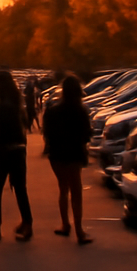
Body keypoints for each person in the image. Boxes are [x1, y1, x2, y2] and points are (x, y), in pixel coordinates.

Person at [41, 73, 92, 244]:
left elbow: (47, 132)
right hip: (74, 153)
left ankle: (65, 225)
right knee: (76, 192)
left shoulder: (53, 110)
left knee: (63, 189)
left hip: (57, 154)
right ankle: (79, 230)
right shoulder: (80, 111)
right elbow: (87, 135)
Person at [0, 70, 32, 241]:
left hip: (2, 149)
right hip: (18, 149)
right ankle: (27, 223)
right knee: (20, 188)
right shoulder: (17, 104)